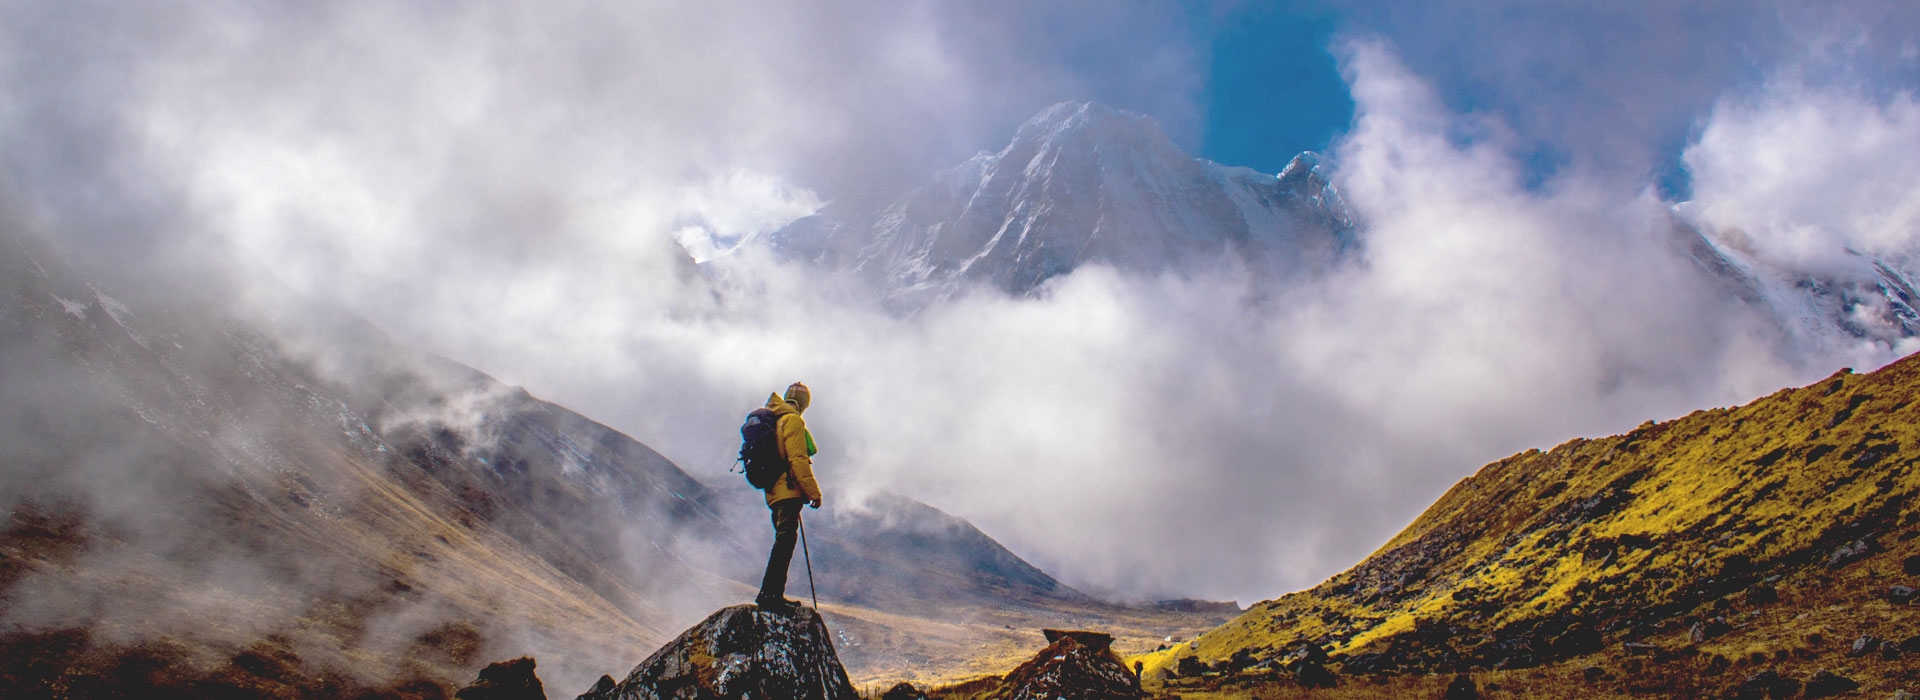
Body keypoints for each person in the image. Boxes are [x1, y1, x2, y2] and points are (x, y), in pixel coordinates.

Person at [755, 381, 821, 613]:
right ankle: (770, 594)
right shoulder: (792, 420)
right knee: (785, 542)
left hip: (773, 491)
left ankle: (771, 593)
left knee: (782, 541)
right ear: (803, 404)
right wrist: (813, 492)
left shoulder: (774, 417)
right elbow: (798, 460)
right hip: (788, 489)